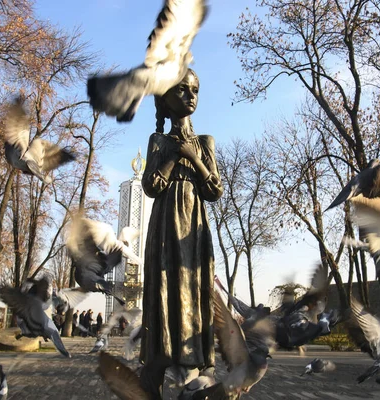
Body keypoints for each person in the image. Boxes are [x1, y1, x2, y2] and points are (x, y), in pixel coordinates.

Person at [139, 69, 223, 395]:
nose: (190, 95)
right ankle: (160, 358)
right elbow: (150, 185)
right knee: (164, 282)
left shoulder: (205, 142)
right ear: (165, 99)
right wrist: (173, 158)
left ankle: (193, 356)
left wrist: (194, 158)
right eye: (183, 90)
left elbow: (214, 190)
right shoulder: (158, 141)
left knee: (192, 283)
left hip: (194, 227)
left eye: (195, 90)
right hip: (163, 226)